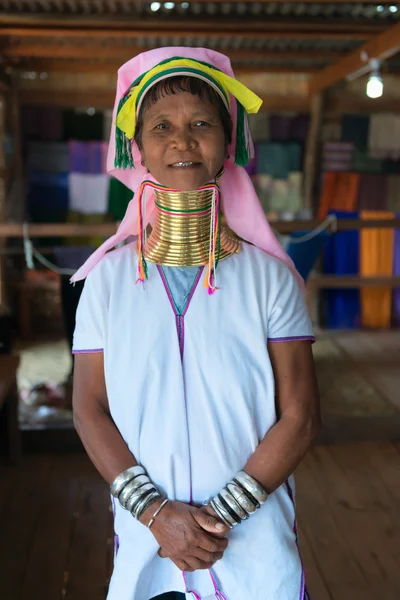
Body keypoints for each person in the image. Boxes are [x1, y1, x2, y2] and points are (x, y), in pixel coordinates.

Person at [72, 47, 320, 600]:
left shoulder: (270, 280)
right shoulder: (106, 284)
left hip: (250, 538)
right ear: (137, 148)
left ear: (227, 145)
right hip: (148, 542)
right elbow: (89, 409)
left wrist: (216, 518)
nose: (182, 140)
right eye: (161, 126)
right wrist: (158, 515)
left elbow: (300, 417)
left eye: (201, 123)